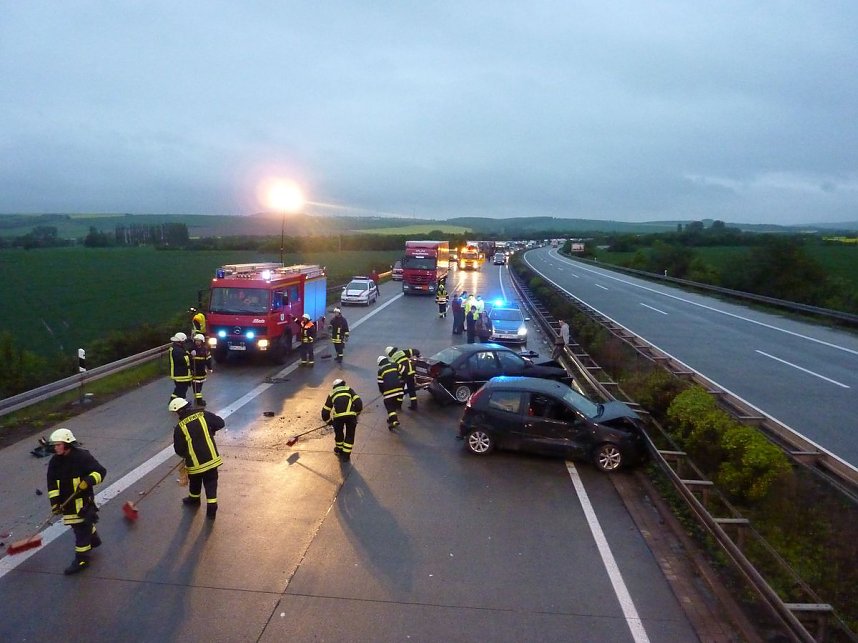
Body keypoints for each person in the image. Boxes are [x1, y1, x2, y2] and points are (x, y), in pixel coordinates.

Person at [46, 428, 107, 575]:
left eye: (58, 445)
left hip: (83, 502)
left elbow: (100, 472)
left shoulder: (82, 457)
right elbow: (52, 486)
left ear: (67, 444)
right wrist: (55, 504)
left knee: (81, 530)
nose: (55, 448)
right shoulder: (54, 462)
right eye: (54, 445)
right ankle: (94, 539)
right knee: (77, 526)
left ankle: (82, 560)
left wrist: (88, 481)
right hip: (67, 503)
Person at [171, 397, 225, 519]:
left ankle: (194, 499)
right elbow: (220, 423)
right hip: (211, 459)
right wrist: (212, 430)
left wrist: (186, 455)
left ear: (179, 411)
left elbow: (178, 449)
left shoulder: (180, 427)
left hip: (195, 464)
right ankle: (212, 506)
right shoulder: (203, 415)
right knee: (211, 482)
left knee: (195, 480)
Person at [321, 379, 363, 462]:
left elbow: (325, 410)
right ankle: (346, 455)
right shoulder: (349, 389)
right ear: (343, 383)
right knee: (350, 435)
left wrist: (329, 421)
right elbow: (358, 403)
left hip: (338, 417)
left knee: (339, 433)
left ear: (334, 386)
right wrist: (356, 413)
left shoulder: (332, 393)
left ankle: (339, 449)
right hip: (351, 416)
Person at [386, 346, 420, 410]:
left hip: (403, 376)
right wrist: (417, 355)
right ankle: (414, 406)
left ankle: (398, 406)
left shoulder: (392, 360)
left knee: (400, 391)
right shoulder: (401, 352)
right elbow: (416, 351)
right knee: (411, 390)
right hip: (411, 373)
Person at [377, 355, 404, 430]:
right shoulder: (395, 365)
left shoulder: (380, 371)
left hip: (389, 392)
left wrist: (383, 392)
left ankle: (394, 421)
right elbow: (404, 371)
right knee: (394, 403)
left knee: (389, 406)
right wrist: (402, 380)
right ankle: (391, 419)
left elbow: (380, 384)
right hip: (399, 390)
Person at [190, 333, 213, 406]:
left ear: (202, 341)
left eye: (199, 341)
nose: (197, 342)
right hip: (194, 370)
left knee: (200, 386)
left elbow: (208, 360)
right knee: (196, 386)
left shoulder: (205, 350)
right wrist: (190, 355)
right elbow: (187, 360)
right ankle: (199, 401)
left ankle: (198, 398)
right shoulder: (191, 349)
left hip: (202, 371)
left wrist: (210, 368)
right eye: (196, 340)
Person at [169, 332, 191, 405]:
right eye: (184, 341)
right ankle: (183, 404)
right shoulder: (177, 350)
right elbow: (182, 360)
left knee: (178, 389)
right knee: (182, 390)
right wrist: (190, 356)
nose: (185, 343)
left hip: (180, 373)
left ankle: (172, 401)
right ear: (181, 341)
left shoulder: (177, 348)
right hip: (180, 373)